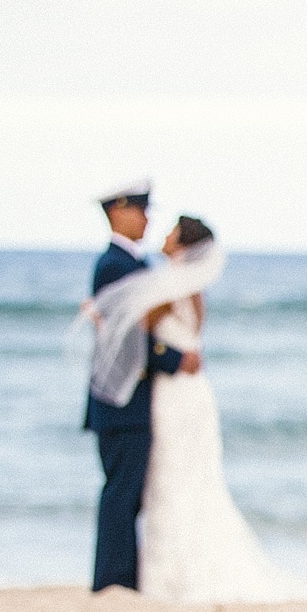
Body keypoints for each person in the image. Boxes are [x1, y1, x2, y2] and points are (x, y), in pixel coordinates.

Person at [135, 215, 307, 602]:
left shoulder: (170, 282)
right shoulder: (194, 287)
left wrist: (104, 314)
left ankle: (169, 576)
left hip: (173, 391)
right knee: (194, 476)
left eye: (171, 232)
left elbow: (141, 326)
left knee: (171, 474)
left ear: (183, 244)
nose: (164, 237)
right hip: (195, 390)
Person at [83, 178, 198, 591]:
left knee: (127, 493)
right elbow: (129, 336)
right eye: (141, 210)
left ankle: (122, 578)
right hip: (122, 402)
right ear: (119, 211)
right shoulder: (115, 265)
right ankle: (113, 581)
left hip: (132, 400)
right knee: (121, 493)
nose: (147, 219)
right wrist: (173, 359)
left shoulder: (130, 263)